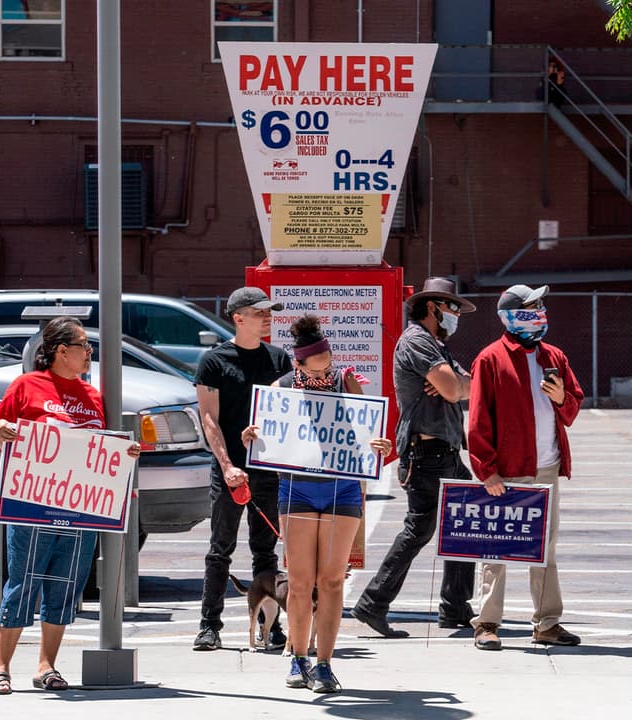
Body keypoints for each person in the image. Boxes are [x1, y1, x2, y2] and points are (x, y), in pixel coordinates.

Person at [0, 316, 140, 695]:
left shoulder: (92, 396)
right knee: (23, 582)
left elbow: (101, 447)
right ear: (60, 351)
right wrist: (1, 431)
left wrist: (125, 453)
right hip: (31, 506)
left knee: (65, 585)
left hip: (79, 511)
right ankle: (1, 667)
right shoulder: (27, 385)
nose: (89, 352)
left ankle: (46, 666)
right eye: (84, 345)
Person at [243, 315, 392, 693]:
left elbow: (367, 434)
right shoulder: (280, 389)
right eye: (317, 366)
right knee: (299, 582)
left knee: (332, 580)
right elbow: (264, 439)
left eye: (328, 363)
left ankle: (324, 664)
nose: (325, 371)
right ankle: (298, 659)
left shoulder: (346, 382)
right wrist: (252, 436)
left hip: (342, 490)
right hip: (298, 490)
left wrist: (380, 445)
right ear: (299, 363)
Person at [352, 277, 477, 637]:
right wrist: (451, 384)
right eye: (452, 307)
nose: (456, 315)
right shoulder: (417, 341)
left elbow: (469, 384)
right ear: (433, 307)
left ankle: (455, 605)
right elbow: (453, 389)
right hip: (426, 453)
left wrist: (453, 383)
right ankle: (373, 602)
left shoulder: (436, 346)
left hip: (445, 451)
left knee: (463, 524)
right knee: (419, 528)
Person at [467, 284, 583, 651]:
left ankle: (547, 623)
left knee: (545, 548)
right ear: (510, 316)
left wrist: (562, 398)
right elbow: (478, 420)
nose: (539, 312)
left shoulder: (554, 356)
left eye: (540, 305)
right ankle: (487, 623)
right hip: (506, 470)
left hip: (546, 466)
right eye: (531, 307)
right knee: (495, 548)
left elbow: (573, 407)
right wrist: (487, 470)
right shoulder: (490, 359)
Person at [193, 286, 294, 651]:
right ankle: (209, 625)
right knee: (220, 547)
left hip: (268, 470)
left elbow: (288, 412)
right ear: (238, 318)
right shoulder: (214, 361)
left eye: (270, 312)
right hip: (231, 469)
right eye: (260, 312)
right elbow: (209, 418)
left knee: (265, 551)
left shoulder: (279, 359)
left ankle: (271, 625)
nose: (268, 318)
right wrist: (227, 466)